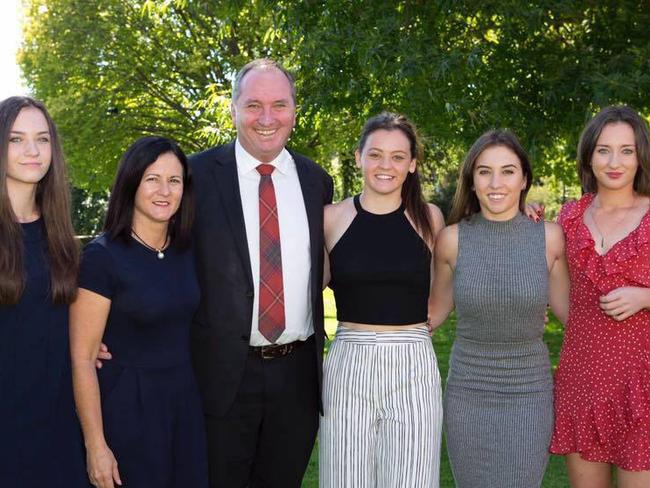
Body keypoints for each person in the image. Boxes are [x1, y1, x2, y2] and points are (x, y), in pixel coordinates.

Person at [189, 59, 333, 487]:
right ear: (232, 110)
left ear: (294, 110)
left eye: (279, 105)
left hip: (297, 376)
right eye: (253, 105)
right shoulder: (194, 177)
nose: (267, 118)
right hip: (221, 376)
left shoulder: (315, 181)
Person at [428, 129, 569, 488]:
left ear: (524, 179)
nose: (496, 183)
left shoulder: (549, 238)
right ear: (471, 181)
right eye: (484, 171)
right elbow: (434, 313)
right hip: (468, 392)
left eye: (508, 171)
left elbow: (573, 316)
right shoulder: (452, 239)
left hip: (529, 394)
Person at [70, 136, 207, 488]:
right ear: (131, 182)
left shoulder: (186, 251)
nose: (164, 190)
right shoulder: (102, 258)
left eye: (174, 180)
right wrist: (96, 445)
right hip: (128, 411)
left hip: (184, 407)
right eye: (152, 179)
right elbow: (83, 359)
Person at [319, 112, 445, 487]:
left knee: (413, 478)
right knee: (345, 477)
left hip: (412, 361)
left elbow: (445, 285)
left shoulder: (430, 219)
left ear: (412, 164)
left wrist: (421, 330)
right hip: (349, 361)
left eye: (397, 156)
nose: (385, 165)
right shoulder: (330, 218)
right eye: (375, 154)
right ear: (358, 157)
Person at [549, 106, 650, 487]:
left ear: (641, 155)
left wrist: (645, 297)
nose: (615, 161)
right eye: (604, 150)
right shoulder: (569, 217)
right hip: (583, 380)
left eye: (626, 150)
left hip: (641, 385)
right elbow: (563, 300)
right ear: (589, 155)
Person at [0, 96, 87, 487]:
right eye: (16, 139)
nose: (32, 151)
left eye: (42, 138)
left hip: (58, 429)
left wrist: (89, 339)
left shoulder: (62, 239)